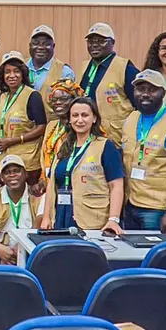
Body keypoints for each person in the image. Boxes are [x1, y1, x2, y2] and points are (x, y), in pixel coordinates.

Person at [121, 70, 166, 233]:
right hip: (130, 205)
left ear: (163, 92)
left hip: (157, 210)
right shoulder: (131, 119)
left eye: (152, 89)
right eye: (140, 89)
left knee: (154, 256)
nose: (145, 94)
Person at [41, 97, 125, 234]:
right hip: (61, 215)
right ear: (69, 119)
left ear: (94, 118)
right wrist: (46, 217)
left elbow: (116, 185)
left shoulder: (105, 146)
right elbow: (51, 184)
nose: (79, 120)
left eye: (85, 115)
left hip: (92, 218)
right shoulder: (64, 146)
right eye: (75, 115)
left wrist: (113, 219)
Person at [78, 23, 138, 147]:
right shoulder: (84, 67)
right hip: (87, 135)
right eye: (91, 41)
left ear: (112, 43)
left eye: (101, 41)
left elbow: (139, 105)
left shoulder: (125, 68)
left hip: (116, 139)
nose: (94, 44)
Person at [0, 52, 47, 185]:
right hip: (4, 161)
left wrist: (14, 140)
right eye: (7, 72)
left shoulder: (32, 96)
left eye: (16, 71)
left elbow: (42, 127)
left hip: (26, 163)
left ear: (23, 74)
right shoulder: (3, 97)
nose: (11, 75)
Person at [0, 155, 44, 264]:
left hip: (31, 250)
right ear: (1, 178)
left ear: (26, 174)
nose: (12, 175)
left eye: (16, 171)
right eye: (7, 173)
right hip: (1, 250)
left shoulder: (39, 198)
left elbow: (37, 228)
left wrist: (19, 249)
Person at [37, 78, 85, 196]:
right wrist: (42, 179)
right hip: (49, 187)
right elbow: (45, 156)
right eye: (54, 99)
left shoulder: (81, 127)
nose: (57, 103)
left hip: (72, 188)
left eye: (63, 99)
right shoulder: (51, 125)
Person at [26, 25, 75, 119]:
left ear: (53, 46)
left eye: (46, 44)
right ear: (30, 45)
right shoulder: (19, 68)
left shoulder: (64, 72)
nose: (40, 47)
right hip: (23, 129)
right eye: (36, 43)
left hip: (52, 129)